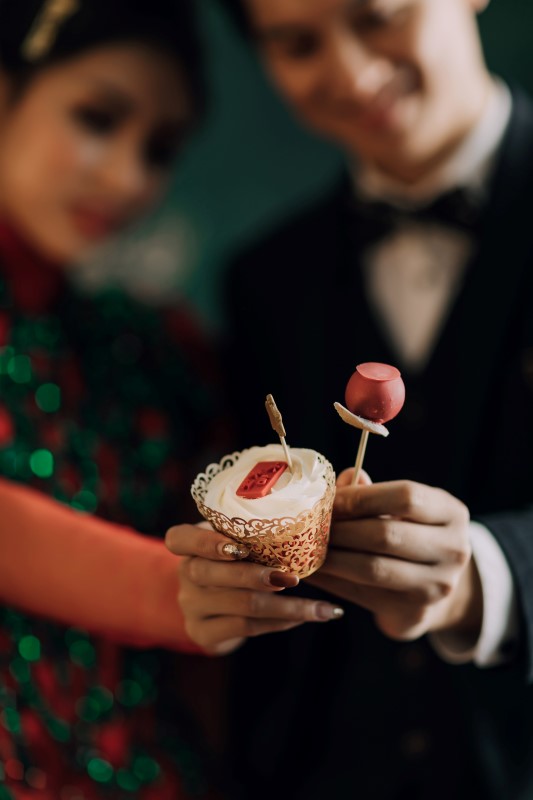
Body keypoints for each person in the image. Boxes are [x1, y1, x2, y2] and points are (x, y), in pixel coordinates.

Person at [165, 1, 533, 798]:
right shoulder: (264, 279)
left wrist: (489, 576)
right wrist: (225, 579)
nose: (353, 73)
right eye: (297, 44)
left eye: (378, 16)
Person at [0, 2, 344, 796]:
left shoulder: (147, 349)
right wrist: (172, 591)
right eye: (96, 118)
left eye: (159, 150)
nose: (127, 178)